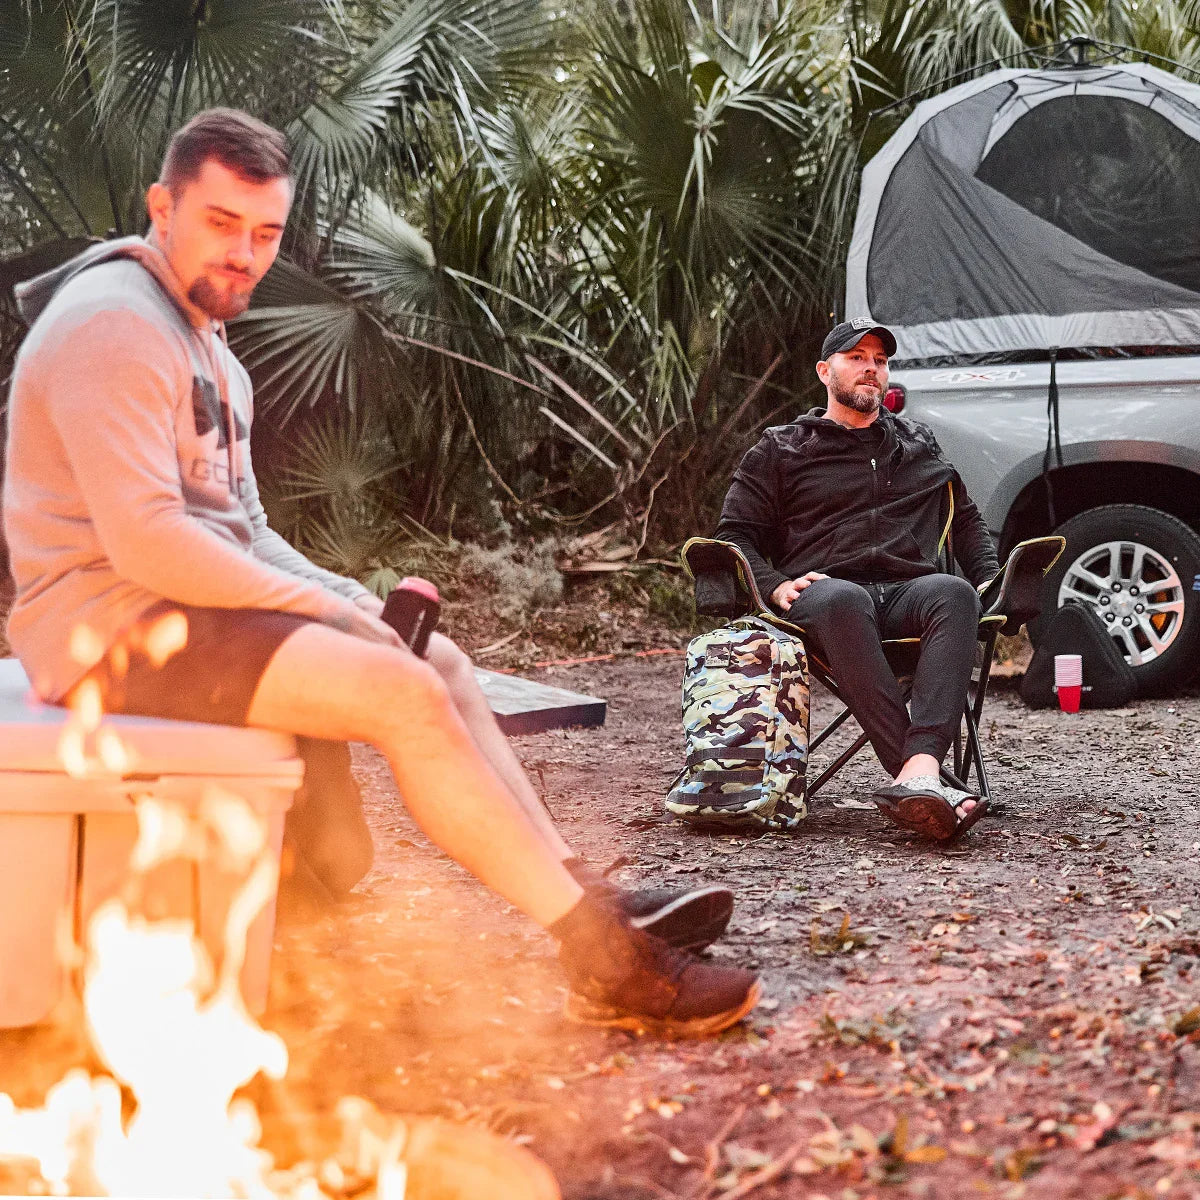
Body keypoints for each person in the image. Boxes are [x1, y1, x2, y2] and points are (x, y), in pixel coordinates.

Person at [2, 107, 758, 1038]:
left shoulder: (207, 340)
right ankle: (604, 960)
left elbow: (244, 528)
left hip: (182, 614)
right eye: (221, 224)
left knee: (435, 666)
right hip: (102, 638)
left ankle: (585, 891)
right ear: (163, 205)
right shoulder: (113, 322)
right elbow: (150, 543)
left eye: (266, 233)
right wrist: (321, 608)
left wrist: (347, 597)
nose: (244, 254)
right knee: (400, 694)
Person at [715, 320, 1001, 841]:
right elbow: (735, 534)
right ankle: (931, 781)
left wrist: (991, 583)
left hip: (904, 593)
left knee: (954, 593)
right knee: (843, 599)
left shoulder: (916, 443)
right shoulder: (782, 448)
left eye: (880, 359)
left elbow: (966, 521)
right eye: (856, 356)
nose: (871, 367)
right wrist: (774, 584)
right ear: (825, 371)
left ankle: (920, 773)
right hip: (824, 594)